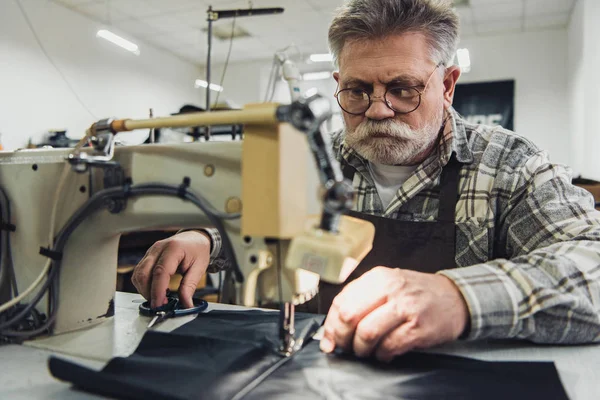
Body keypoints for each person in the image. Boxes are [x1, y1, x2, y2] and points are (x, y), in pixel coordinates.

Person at [132, 0, 600, 361]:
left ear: (448, 83)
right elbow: (259, 223)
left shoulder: (510, 166)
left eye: (403, 89)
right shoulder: (314, 157)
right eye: (357, 91)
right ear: (338, 82)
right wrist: (206, 239)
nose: (377, 109)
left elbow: (593, 270)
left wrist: (460, 297)